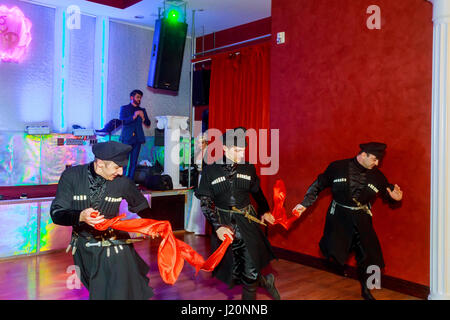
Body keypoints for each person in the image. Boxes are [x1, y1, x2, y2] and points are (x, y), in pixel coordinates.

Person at [293, 142, 403, 300]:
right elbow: (318, 185)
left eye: (379, 160)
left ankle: (366, 289)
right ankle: (339, 262)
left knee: (369, 255)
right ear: (363, 154)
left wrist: (396, 199)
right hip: (339, 216)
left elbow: (388, 194)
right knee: (334, 252)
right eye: (374, 159)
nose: (377, 163)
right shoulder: (337, 167)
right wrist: (304, 204)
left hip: (362, 218)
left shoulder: (378, 176)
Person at [50, 141, 154, 300]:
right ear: (99, 165)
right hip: (83, 248)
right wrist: (80, 216)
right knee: (96, 289)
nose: (120, 172)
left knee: (116, 292)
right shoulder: (71, 177)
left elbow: (142, 208)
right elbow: (57, 213)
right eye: (116, 167)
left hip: (115, 246)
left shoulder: (124, 183)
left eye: (122, 167)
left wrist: (157, 226)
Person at [195, 127, 280, 300]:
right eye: (237, 150)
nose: (241, 155)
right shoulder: (211, 169)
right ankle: (265, 282)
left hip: (247, 221)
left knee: (250, 270)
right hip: (224, 224)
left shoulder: (248, 168)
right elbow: (205, 202)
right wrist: (217, 227)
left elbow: (257, 192)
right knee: (235, 271)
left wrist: (264, 211)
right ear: (225, 148)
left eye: (243, 150)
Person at [119, 89, 151, 179]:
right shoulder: (124, 108)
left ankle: (130, 182)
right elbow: (122, 121)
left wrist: (143, 117)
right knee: (124, 161)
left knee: (134, 162)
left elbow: (148, 124)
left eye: (140, 98)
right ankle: (122, 181)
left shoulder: (142, 110)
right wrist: (134, 116)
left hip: (138, 139)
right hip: (127, 138)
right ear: (131, 97)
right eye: (137, 97)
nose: (139, 99)